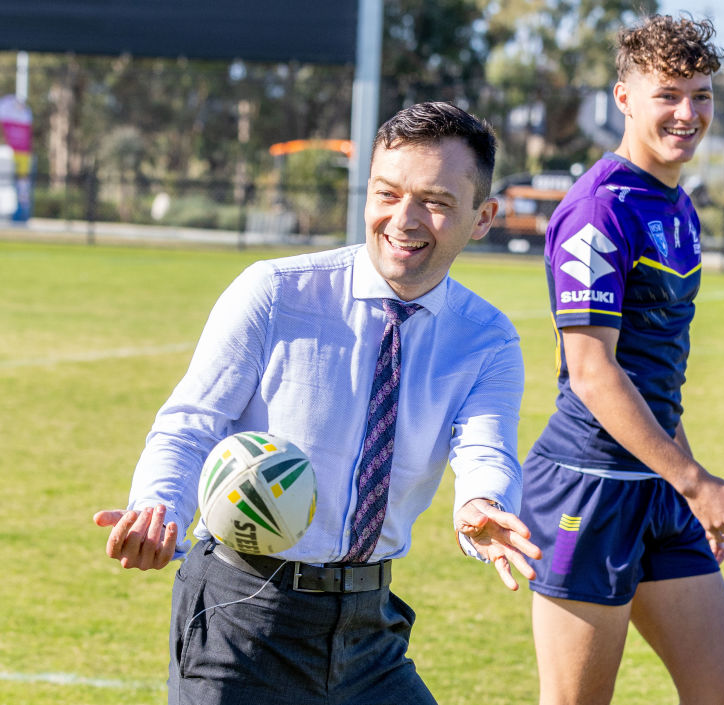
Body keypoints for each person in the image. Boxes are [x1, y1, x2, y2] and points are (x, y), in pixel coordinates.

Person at [92, 101, 541, 705]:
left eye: (434, 201)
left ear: (483, 217)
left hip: (368, 627)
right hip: (241, 618)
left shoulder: (486, 339)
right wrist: (158, 508)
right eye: (387, 193)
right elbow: (190, 426)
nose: (403, 219)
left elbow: (484, 446)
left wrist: (483, 503)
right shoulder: (274, 293)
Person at [518, 14, 724, 705]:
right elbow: (593, 372)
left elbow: (656, 377)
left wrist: (688, 480)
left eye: (702, 95)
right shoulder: (599, 209)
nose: (688, 113)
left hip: (658, 486)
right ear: (623, 96)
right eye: (669, 94)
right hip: (588, 489)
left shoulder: (678, 204)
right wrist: (695, 483)